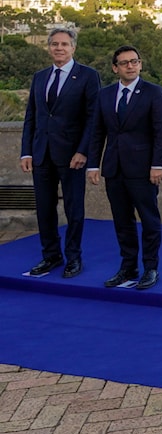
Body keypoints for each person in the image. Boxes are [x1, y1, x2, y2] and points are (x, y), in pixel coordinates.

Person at [20, 27, 101, 279]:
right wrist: (26, 152)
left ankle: (73, 257)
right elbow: (31, 117)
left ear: (73, 47)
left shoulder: (88, 76)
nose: (59, 48)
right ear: (48, 47)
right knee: (44, 208)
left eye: (64, 44)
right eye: (54, 44)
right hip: (41, 153)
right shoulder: (39, 77)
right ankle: (51, 255)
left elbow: (93, 119)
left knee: (74, 209)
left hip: (72, 157)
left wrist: (83, 151)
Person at [87, 46, 162, 290]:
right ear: (115, 68)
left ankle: (150, 268)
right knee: (122, 222)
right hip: (114, 169)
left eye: (134, 61)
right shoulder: (104, 95)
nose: (130, 66)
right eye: (124, 63)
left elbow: (160, 132)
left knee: (149, 219)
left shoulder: (154, 93)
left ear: (140, 65)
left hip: (144, 169)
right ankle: (128, 267)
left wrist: (157, 165)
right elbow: (97, 132)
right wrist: (93, 165)